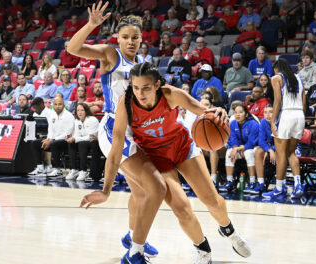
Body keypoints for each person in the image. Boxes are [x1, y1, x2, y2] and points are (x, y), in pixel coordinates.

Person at [80, 62, 251, 262]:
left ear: (157, 85)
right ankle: (203, 250)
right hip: (156, 158)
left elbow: (202, 110)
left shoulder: (170, 94)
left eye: (145, 87)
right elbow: (115, 151)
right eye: (135, 88)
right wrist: (106, 190)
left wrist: (219, 110)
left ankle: (228, 231)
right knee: (181, 207)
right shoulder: (126, 104)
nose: (140, 93)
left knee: (211, 200)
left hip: (182, 147)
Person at [67, 4, 160, 260]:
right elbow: (72, 49)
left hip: (137, 130)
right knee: (152, 188)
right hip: (113, 129)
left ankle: (133, 237)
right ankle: (135, 250)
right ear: (118, 38)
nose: (131, 41)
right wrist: (91, 25)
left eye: (135, 37)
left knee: (140, 192)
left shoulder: (144, 63)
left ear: (142, 39)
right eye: (126, 37)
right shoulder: (110, 54)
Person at [262, 59, 306, 199]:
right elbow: (304, 102)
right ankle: (298, 183)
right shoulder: (298, 78)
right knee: (291, 152)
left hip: (287, 114)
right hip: (300, 115)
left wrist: (274, 121)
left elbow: (277, 101)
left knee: (281, 154)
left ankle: (279, 188)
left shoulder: (276, 77)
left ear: (276, 69)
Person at [29, 97, 75, 177]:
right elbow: (50, 131)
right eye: (55, 104)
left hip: (67, 142)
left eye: (60, 104)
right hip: (54, 140)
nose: (58, 106)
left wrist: (52, 140)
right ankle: (40, 168)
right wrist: (48, 139)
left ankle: (57, 170)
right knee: (35, 143)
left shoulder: (69, 116)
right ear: (52, 105)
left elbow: (68, 134)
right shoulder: (52, 115)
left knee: (54, 144)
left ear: (64, 105)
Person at [219, 104, 259, 192]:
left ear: (246, 114)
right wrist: (234, 148)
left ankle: (252, 182)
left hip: (252, 147)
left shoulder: (254, 124)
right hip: (239, 148)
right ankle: (230, 181)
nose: (237, 114)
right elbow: (232, 139)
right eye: (236, 112)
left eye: (240, 112)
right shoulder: (232, 123)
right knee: (229, 153)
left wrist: (237, 149)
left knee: (249, 153)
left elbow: (251, 143)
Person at [66, 103, 101, 181]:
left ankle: (83, 170)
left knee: (82, 144)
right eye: (78, 110)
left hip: (96, 141)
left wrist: (76, 139)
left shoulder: (92, 120)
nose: (80, 112)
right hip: (84, 140)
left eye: (82, 110)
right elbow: (77, 134)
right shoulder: (77, 120)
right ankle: (74, 169)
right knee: (71, 143)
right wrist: (72, 138)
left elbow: (91, 137)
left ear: (86, 111)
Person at [248, 104, 275, 195]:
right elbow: (261, 141)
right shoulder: (263, 122)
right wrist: (269, 150)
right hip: (271, 146)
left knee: (280, 154)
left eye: (271, 112)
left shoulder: (279, 122)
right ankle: (261, 183)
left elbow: (283, 142)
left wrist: (273, 149)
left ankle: (280, 185)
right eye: (265, 112)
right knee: (258, 152)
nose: (268, 115)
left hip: (282, 146)